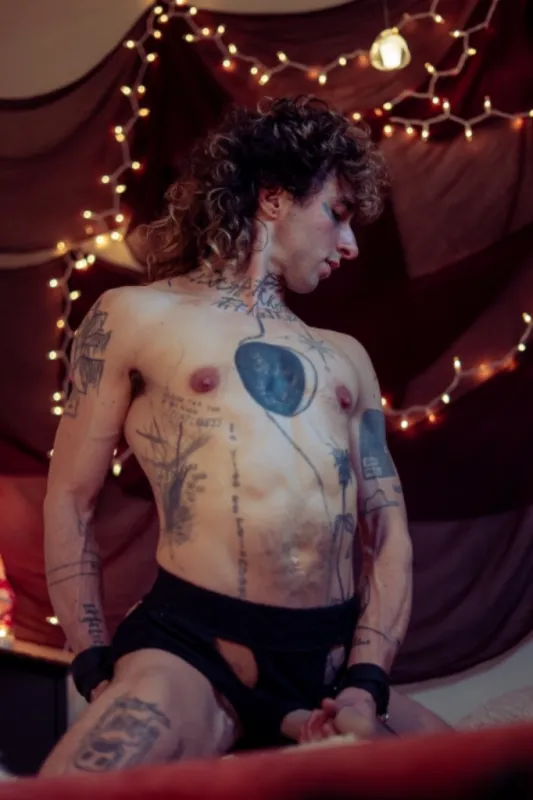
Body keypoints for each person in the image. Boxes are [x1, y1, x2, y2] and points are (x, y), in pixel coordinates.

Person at [41, 96, 451, 776]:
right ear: (272, 197)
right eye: (338, 213)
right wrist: (93, 664)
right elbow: (69, 501)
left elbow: (389, 535)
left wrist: (363, 684)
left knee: (492, 774)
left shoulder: (345, 356)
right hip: (193, 649)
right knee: (72, 788)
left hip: (327, 670)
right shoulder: (133, 315)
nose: (350, 245)